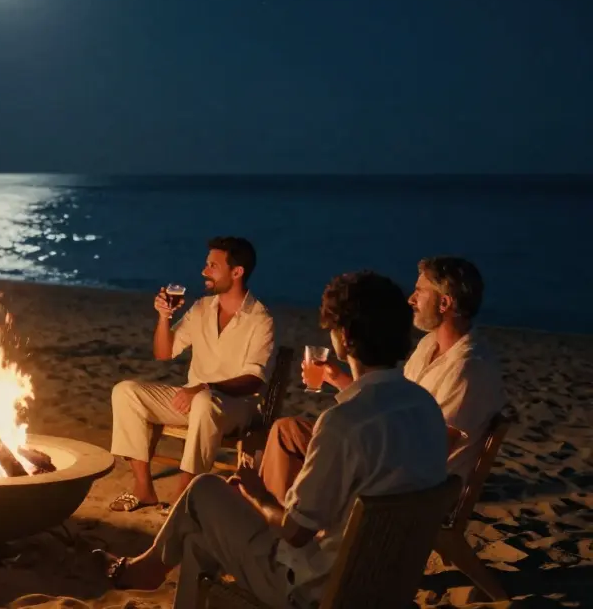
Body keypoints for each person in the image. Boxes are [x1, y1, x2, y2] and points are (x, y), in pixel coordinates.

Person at [97, 271, 448, 608]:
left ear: (343, 337)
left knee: (204, 490)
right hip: (386, 585)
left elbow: (295, 533)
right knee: (196, 542)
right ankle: (147, 569)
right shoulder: (426, 407)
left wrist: (258, 495)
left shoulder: (344, 422)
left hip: (314, 590)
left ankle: (144, 569)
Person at [258, 256, 506, 502]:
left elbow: (432, 451)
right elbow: (389, 402)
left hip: (414, 485)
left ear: (444, 303)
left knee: (320, 439)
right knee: (288, 430)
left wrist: (361, 442)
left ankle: (284, 525)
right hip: (392, 453)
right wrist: (339, 379)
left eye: (419, 292)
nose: (411, 299)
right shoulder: (430, 345)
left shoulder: (468, 368)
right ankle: (288, 520)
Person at [108, 237, 274, 511]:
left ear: (237, 272)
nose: (204, 271)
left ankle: (183, 496)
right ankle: (143, 489)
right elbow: (164, 352)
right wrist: (164, 318)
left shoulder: (260, 319)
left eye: (212, 265)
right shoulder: (201, 309)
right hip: (194, 400)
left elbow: (253, 380)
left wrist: (204, 387)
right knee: (125, 392)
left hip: (235, 407)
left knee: (205, 401)